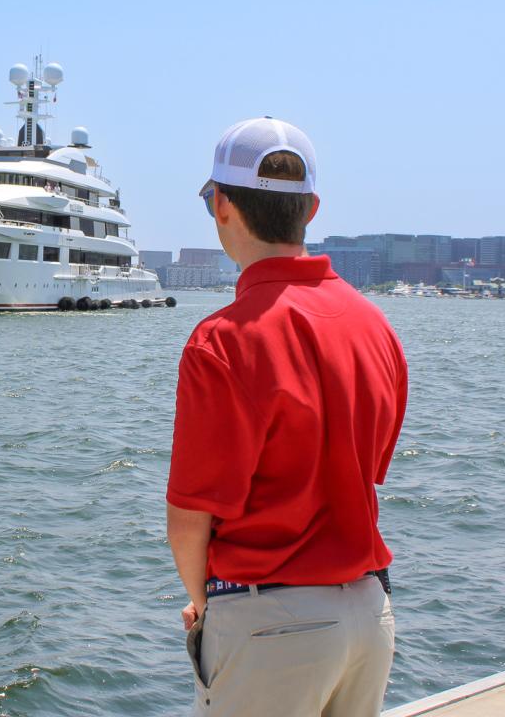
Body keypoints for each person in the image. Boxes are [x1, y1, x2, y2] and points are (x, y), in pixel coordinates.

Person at [166, 117, 408, 717]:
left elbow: (190, 515)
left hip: (271, 623)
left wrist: (204, 605)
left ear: (220, 205)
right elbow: (367, 469)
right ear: (312, 208)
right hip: (369, 617)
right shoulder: (375, 326)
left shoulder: (221, 341)